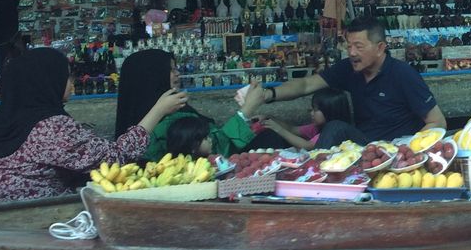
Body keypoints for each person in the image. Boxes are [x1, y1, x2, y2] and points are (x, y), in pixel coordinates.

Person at [0, 48, 186, 203]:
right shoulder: (51, 127)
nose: (72, 83)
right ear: (48, 81)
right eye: (67, 76)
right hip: (44, 215)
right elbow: (115, 158)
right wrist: (158, 110)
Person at [246, 16, 445, 146]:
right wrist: (267, 94)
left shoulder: (403, 74)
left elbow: (437, 122)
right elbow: (307, 84)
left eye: (358, 46)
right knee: (269, 136)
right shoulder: (349, 68)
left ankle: (319, 180)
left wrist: (405, 150)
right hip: (363, 145)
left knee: (335, 127)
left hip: (394, 148)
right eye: (349, 46)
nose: (352, 52)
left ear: (380, 48)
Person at [114, 49, 255, 162]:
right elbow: (219, 147)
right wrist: (248, 109)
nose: (178, 74)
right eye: (171, 70)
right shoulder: (165, 123)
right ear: (152, 77)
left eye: (176, 68)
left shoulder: (141, 119)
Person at [259, 87, 354, 150]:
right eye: (312, 109)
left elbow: (308, 146)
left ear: (330, 111)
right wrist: (269, 118)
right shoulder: (316, 127)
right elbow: (292, 129)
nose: (311, 113)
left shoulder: (332, 133)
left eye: (315, 110)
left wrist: (278, 129)